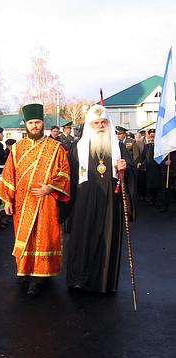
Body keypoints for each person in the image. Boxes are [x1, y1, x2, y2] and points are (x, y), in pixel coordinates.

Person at [0, 103, 70, 296]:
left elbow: (64, 172)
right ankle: (25, 272)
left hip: (46, 202)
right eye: (31, 123)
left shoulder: (56, 147)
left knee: (44, 237)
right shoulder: (17, 148)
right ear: (26, 124)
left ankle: (39, 277)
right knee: (25, 237)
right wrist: (7, 200)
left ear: (43, 123)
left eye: (37, 122)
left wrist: (50, 187)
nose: (34, 126)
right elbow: (9, 174)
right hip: (22, 202)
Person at [66, 104, 137, 293]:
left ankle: (104, 283)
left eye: (103, 122)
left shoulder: (119, 147)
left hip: (110, 204)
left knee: (108, 240)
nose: (100, 126)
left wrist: (125, 169)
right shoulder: (77, 148)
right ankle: (79, 279)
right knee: (83, 239)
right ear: (89, 125)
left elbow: (131, 173)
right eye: (96, 122)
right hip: (83, 203)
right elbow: (69, 177)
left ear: (108, 123)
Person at [137, 129, 161, 206]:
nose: (152, 138)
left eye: (153, 136)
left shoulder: (159, 146)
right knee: (150, 185)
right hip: (149, 169)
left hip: (158, 168)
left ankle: (157, 200)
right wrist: (139, 162)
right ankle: (152, 199)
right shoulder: (147, 146)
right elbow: (143, 156)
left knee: (157, 185)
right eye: (151, 136)